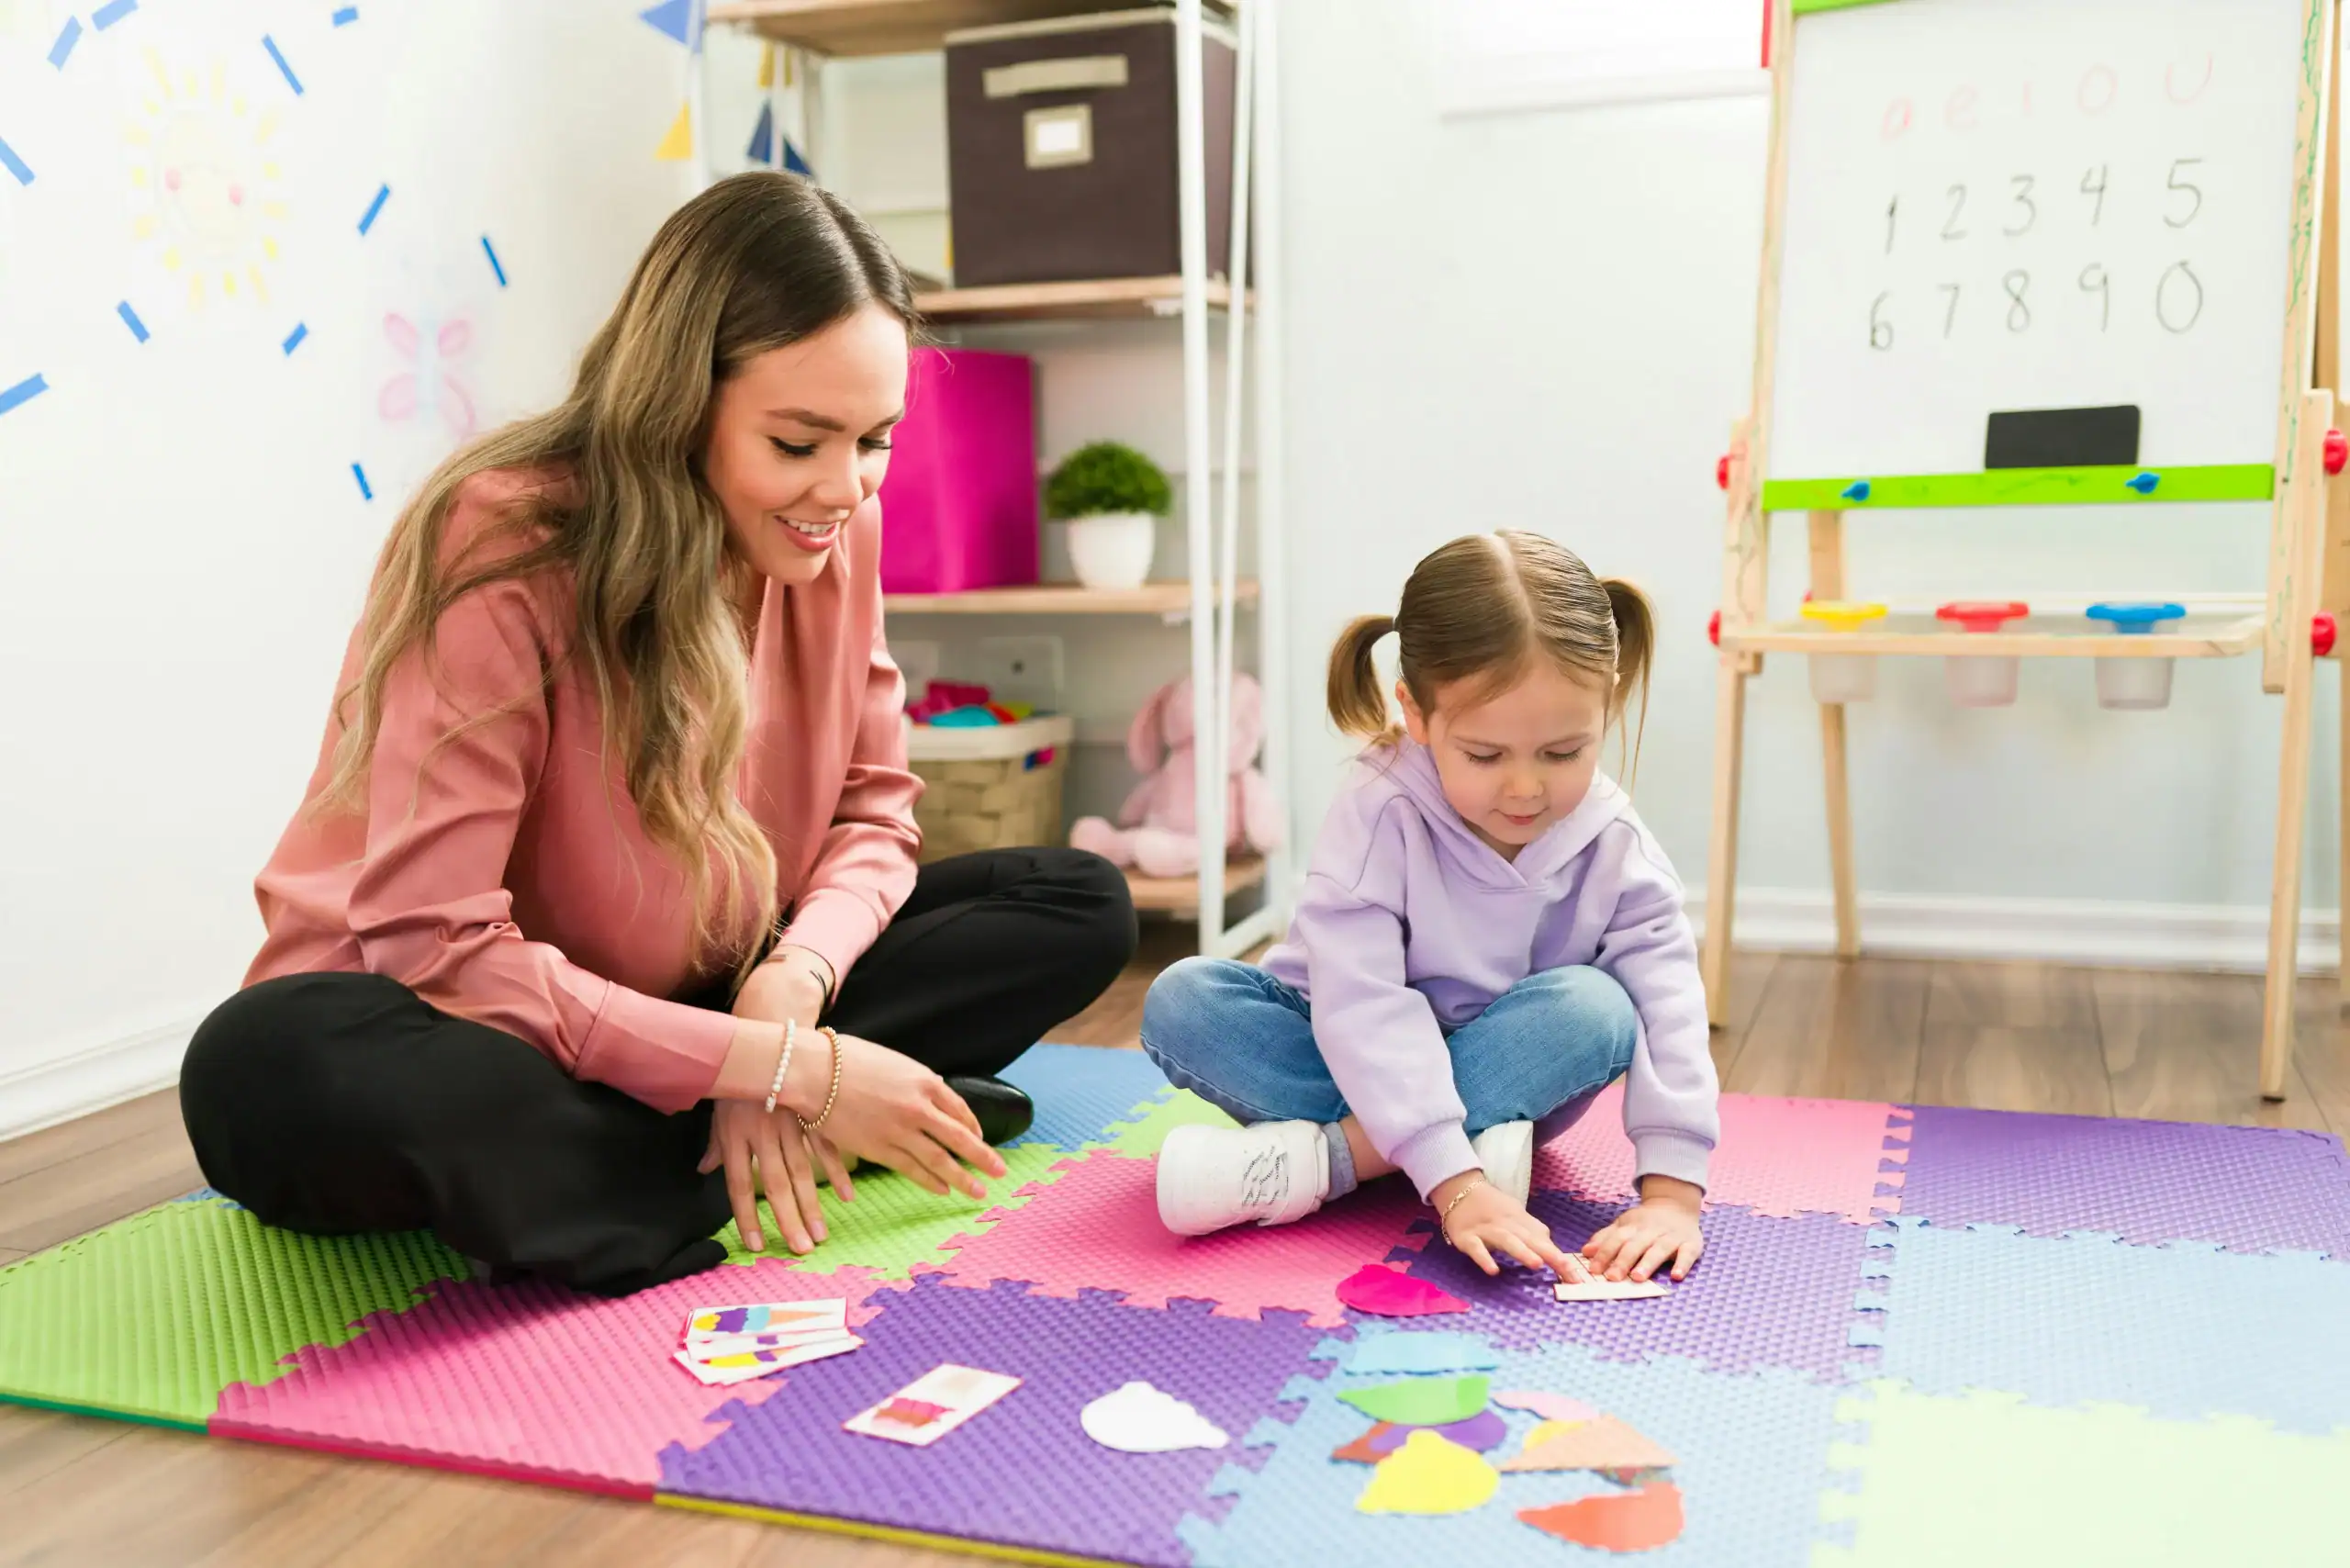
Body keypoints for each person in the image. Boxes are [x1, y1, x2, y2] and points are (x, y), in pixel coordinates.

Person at [178, 173, 1136, 1297]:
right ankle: (779, 1124)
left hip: (704, 990)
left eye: (874, 440)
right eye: (797, 441)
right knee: (260, 1059)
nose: (843, 487)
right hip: (466, 1016)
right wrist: (790, 1069)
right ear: (679, 403)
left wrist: (788, 993)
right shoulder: (500, 542)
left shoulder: (842, 530)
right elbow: (431, 944)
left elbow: (876, 812)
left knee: (1074, 900)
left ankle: (675, 1148)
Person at [1139, 532, 1717, 1284]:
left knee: (1597, 1010)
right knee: (1184, 1000)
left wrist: (1672, 1195)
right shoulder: (1381, 810)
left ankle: (1328, 1163)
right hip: (1349, 1049)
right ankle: (1438, 1151)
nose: (1525, 789)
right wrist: (1457, 1180)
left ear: (1604, 706)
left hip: (1506, 1064)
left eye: (1563, 753)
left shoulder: (1612, 842)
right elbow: (1362, 1006)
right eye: (1485, 756)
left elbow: (1668, 1005)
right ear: (1415, 713)